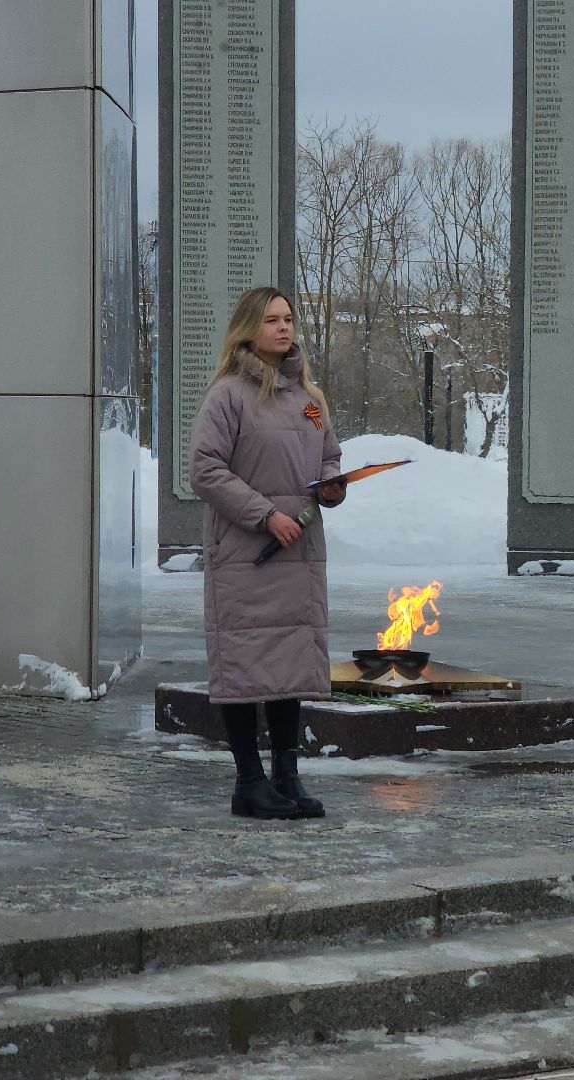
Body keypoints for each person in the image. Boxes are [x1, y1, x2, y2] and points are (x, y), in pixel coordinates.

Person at [188, 286, 347, 819]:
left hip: (298, 553)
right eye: (273, 320)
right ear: (249, 328)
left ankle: (287, 776)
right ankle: (249, 783)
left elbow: (329, 455)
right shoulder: (228, 395)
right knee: (243, 665)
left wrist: (332, 485)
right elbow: (205, 469)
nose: (285, 328)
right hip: (247, 552)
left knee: (288, 665)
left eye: (289, 319)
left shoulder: (308, 396)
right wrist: (264, 515)